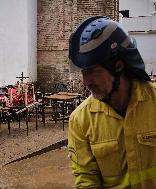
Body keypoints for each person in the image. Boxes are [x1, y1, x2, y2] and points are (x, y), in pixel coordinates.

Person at [67, 16, 156, 188]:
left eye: (92, 71)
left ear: (119, 66)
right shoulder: (80, 120)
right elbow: (86, 180)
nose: (86, 82)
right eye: (83, 72)